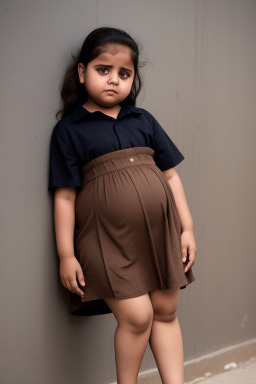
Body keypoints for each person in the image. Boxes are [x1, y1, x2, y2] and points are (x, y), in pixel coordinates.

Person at [49, 26, 196, 384]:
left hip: (160, 233)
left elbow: (171, 176)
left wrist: (187, 228)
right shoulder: (70, 130)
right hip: (107, 241)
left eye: (124, 74)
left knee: (164, 311)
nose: (114, 80)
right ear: (83, 72)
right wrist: (66, 254)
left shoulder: (143, 121)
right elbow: (65, 196)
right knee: (137, 317)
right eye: (104, 70)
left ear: (133, 79)